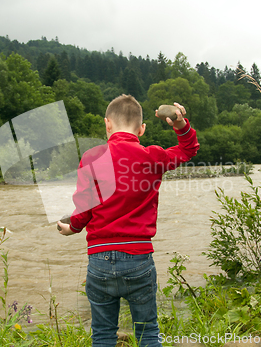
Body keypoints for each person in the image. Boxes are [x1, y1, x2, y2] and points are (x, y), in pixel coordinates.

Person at [57, 94, 199, 347]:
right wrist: (180, 125)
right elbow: (188, 150)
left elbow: (84, 206)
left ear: (107, 124)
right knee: (148, 332)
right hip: (138, 259)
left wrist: (72, 228)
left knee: (102, 333)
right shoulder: (153, 157)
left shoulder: (92, 157)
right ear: (142, 129)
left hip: (99, 259)